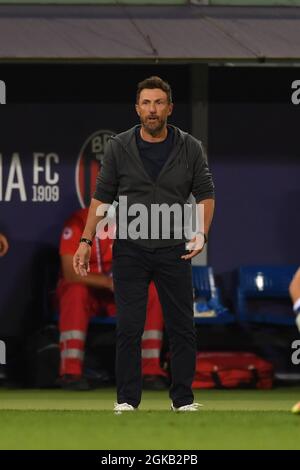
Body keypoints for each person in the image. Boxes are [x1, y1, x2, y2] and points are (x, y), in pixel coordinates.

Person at [73, 76, 215, 411]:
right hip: (131, 249)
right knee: (129, 328)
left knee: (182, 328)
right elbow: (101, 197)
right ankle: (126, 400)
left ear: (170, 107)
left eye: (158, 103)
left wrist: (201, 232)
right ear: (137, 108)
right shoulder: (119, 146)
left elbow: (206, 194)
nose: (152, 110)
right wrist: (85, 239)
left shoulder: (190, 146)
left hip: (173, 249)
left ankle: (182, 400)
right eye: (146, 103)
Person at [57, 207, 168, 390]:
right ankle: (70, 372)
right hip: (89, 292)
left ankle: (150, 371)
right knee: (74, 290)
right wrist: (109, 282)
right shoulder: (79, 222)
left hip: (121, 294)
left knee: (153, 290)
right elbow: (70, 273)